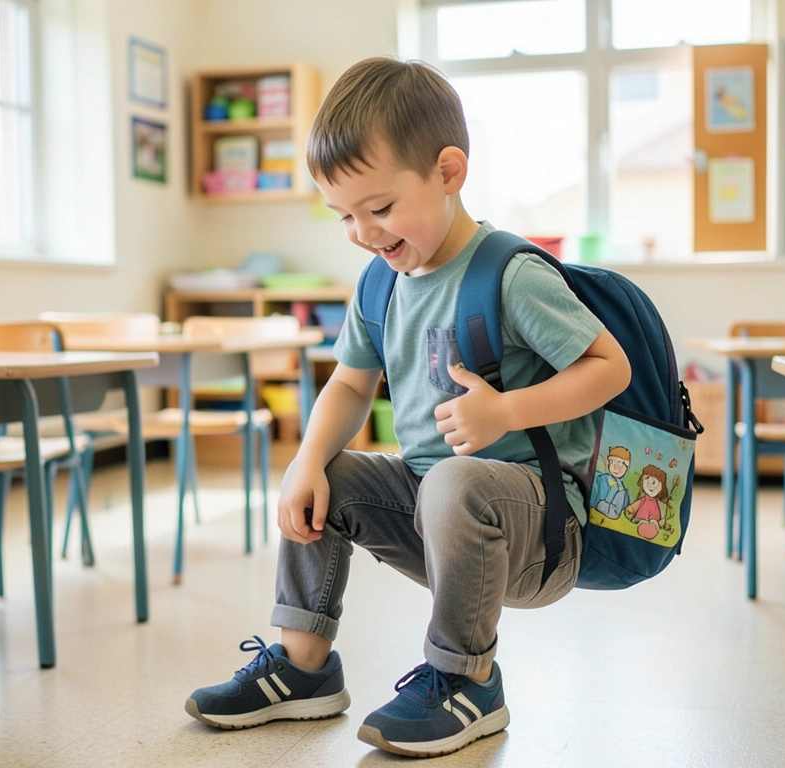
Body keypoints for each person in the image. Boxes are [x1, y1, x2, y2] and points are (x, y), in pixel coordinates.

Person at [185, 56, 632, 758]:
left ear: (448, 172)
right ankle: (304, 668)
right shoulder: (380, 282)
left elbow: (609, 368)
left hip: (539, 531)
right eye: (345, 217)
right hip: (437, 514)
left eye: (381, 209)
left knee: (455, 480)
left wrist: (507, 414)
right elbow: (348, 385)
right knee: (327, 475)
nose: (364, 232)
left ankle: (467, 680)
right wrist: (305, 459)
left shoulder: (510, 273)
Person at [589, 446, 632, 519]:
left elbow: (616, 512)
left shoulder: (622, 490)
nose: (617, 467)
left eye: (621, 463)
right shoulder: (600, 478)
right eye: (612, 461)